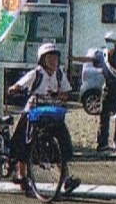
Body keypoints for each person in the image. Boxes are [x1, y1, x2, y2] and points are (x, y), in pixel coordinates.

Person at [7, 43, 80, 194]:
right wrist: (16, 89)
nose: (53, 61)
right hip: (34, 112)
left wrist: (59, 95)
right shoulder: (36, 74)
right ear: (42, 60)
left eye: (55, 58)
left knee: (61, 142)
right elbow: (17, 86)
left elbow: (67, 93)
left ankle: (65, 178)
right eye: (49, 58)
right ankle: (21, 175)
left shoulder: (59, 74)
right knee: (23, 141)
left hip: (52, 113)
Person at [91, 32, 116, 152]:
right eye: (106, 40)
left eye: (111, 41)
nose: (108, 43)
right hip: (107, 90)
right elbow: (94, 61)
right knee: (104, 117)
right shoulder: (102, 54)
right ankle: (102, 143)